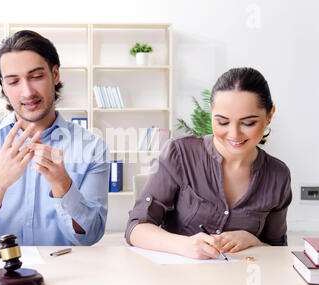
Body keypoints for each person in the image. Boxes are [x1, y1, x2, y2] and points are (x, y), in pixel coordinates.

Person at [0, 30, 109, 246]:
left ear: (55, 74)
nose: (27, 92)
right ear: (3, 87)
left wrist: (63, 184)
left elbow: (90, 236)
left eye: (36, 77)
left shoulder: (92, 147)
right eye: (13, 82)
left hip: (66, 272)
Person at [125, 67, 292, 259]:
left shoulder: (278, 175)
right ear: (212, 114)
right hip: (179, 281)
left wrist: (253, 240)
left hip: (243, 283)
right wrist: (184, 245)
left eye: (248, 123)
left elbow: (278, 251)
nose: (234, 134)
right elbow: (135, 229)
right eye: (222, 122)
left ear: (269, 116)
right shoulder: (180, 154)